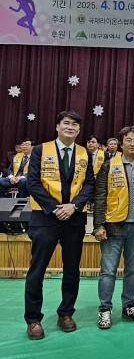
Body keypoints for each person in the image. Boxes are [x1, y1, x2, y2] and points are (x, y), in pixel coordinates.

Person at [24, 110, 95, 340]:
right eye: (66, 123)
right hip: (45, 217)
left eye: (75, 124)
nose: (70, 127)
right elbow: (32, 183)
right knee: (37, 269)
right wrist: (55, 208)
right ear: (57, 126)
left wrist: (74, 206)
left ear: (79, 129)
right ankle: (33, 319)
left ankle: (66, 313)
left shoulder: (85, 153)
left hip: (74, 219)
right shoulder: (40, 150)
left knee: (72, 269)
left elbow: (89, 184)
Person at [93, 126, 134, 329]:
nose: (132, 144)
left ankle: (129, 306)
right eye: (128, 140)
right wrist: (98, 225)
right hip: (113, 226)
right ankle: (105, 309)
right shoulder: (109, 165)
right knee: (108, 271)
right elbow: (100, 196)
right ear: (121, 143)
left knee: (133, 270)